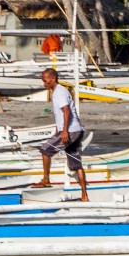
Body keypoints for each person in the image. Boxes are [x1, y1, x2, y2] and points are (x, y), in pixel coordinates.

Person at [36, 66, 89, 201]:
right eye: (43, 81)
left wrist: (64, 131)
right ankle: (84, 195)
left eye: (46, 80)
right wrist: (59, 129)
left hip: (70, 131)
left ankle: (46, 179)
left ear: (53, 79)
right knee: (76, 164)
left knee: (45, 150)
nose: (44, 83)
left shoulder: (59, 92)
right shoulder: (59, 91)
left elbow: (66, 111)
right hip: (77, 130)